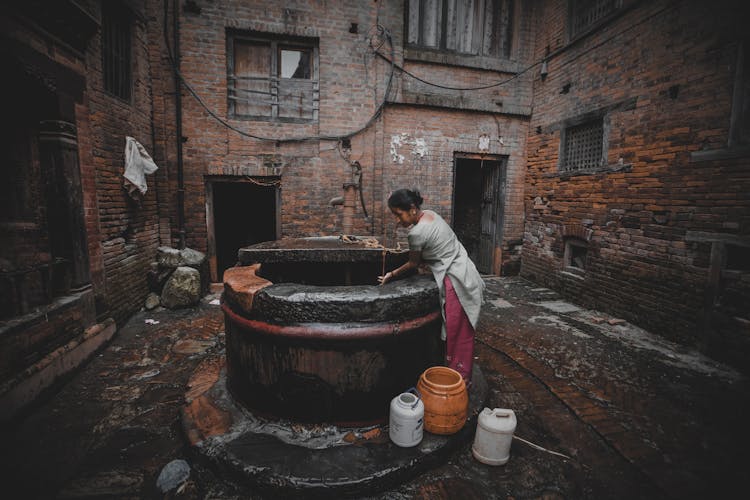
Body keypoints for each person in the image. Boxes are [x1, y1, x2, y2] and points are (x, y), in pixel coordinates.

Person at [379, 188, 484, 384]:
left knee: (457, 331)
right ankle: (460, 376)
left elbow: (413, 263)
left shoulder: (416, 233)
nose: (397, 220)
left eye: (398, 214)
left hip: (456, 281)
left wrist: (391, 274)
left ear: (411, 209)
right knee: (464, 330)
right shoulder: (431, 215)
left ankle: (457, 383)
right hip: (467, 272)